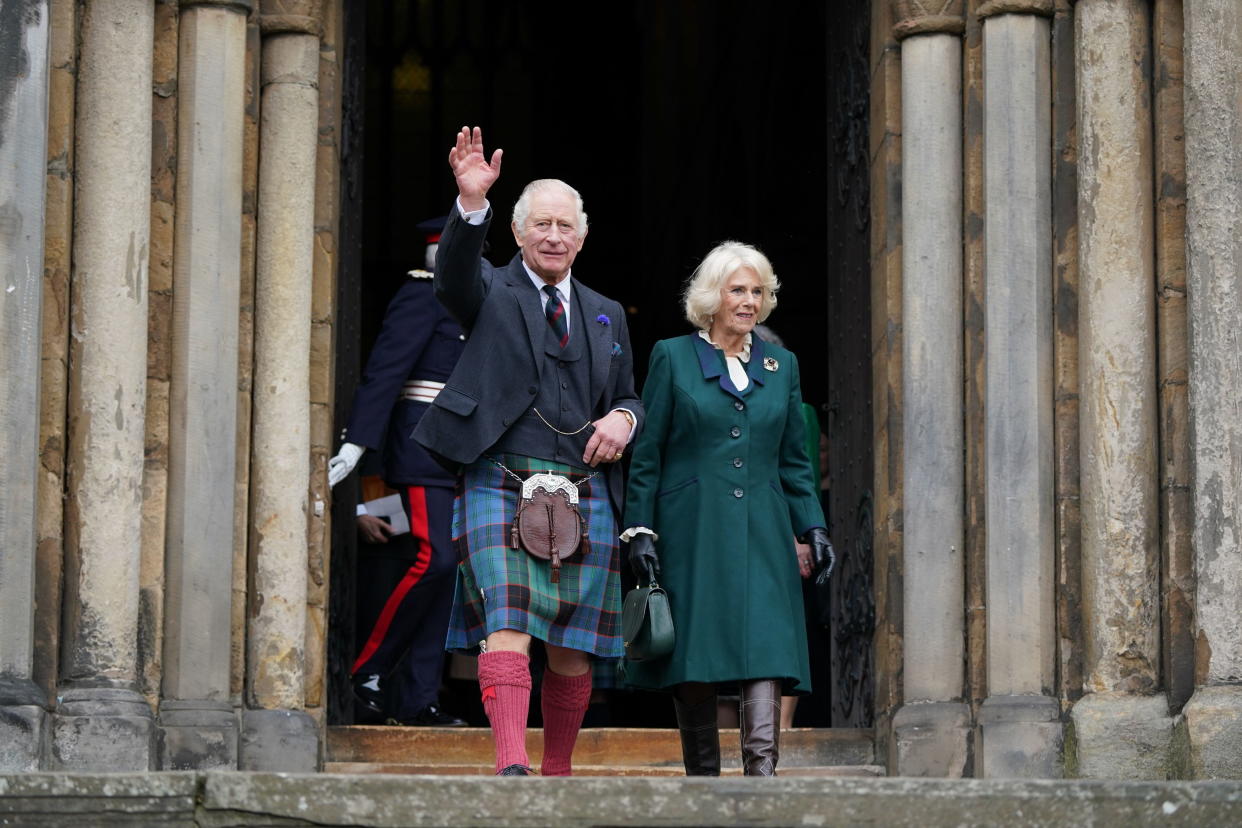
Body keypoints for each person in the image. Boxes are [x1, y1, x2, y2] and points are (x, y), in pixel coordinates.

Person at [413, 126, 644, 776]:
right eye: (540, 224)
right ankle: (511, 766)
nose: (553, 235)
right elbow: (453, 277)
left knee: (574, 646)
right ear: (517, 233)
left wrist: (626, 418)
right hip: (502, 475)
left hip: (583, 484)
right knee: (508, 620)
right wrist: (471, 205)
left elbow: (632, 394)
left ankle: (558, 770)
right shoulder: (490, 291)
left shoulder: (605, 312)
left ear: (582, 236)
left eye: (564, 226)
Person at [621, 241, 835, 776]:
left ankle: (761, 780)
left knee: (767, 646)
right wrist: (640, 531)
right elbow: (649, 456)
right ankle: (704, 783)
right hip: (693, 529)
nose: (749, 301)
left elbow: (794, 462)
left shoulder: (780, 364)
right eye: (738, 290)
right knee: (697, 654)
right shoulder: (673, 356)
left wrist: (813, 525)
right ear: (712, 296)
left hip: (764, 527)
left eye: (758, 291)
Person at [327, 217, 467, 727]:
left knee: (450, 579)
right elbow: (385, 371)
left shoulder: (480, 302)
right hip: (422, 448)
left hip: (467, 456)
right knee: (436, 561)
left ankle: (417, 700)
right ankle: (368, 668)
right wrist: (358, 442)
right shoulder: (422, 295)